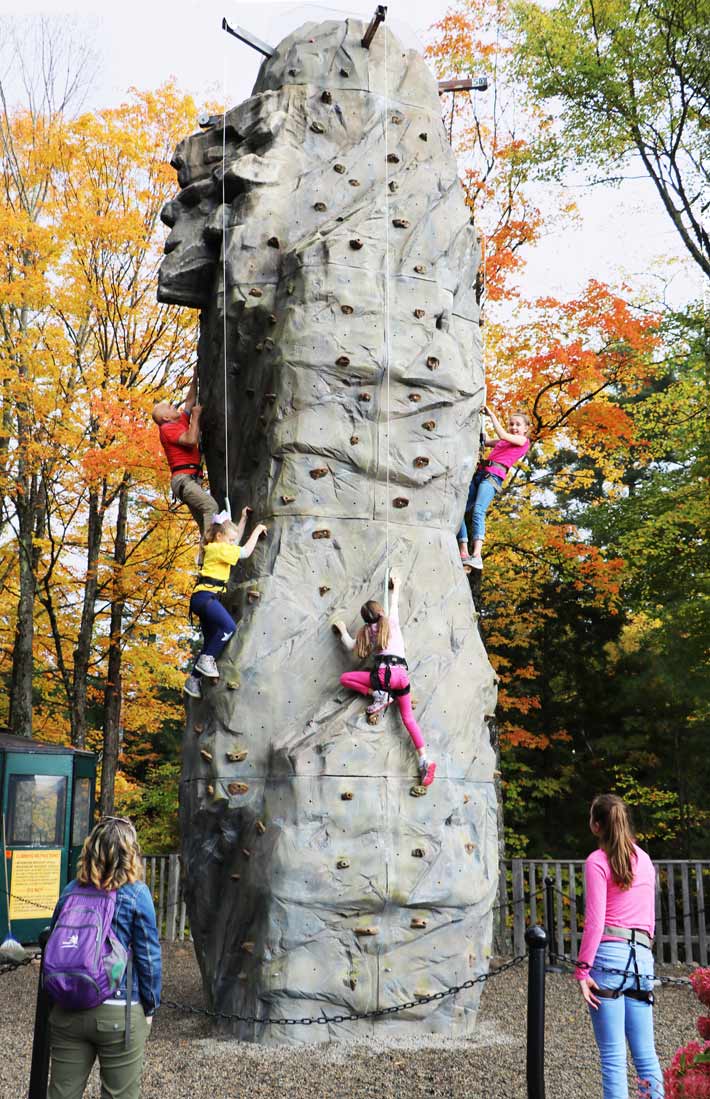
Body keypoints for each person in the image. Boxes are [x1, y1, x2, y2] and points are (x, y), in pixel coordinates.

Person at [47, 817, 161, 1099]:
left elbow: (55, 943)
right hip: (118, 1011)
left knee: (61, 1095)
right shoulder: (136, 894)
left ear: (90, 850)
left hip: (68, 1010)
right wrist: (150, 1006)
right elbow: (149, 957)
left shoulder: (71, 890)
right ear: (130, 853)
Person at [576, 794, 664, 1099]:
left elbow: (596, 921)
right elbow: (650, 922)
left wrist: (582, 970)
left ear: (596, 825)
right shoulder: (646, 860)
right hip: (641, 961)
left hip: (608, 961)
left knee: (613, 1059)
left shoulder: (597, 862)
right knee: (646, 1056)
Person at [333, 573, 436, 787]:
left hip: (383, 677)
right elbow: (394, 603)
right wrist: (395, 585)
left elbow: (351, 646)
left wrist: (342, 629)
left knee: (346, 678)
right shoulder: (391, 622)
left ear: (365, 619)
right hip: (402, 677)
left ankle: (378, 695)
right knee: (408, 719)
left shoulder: (368, 632)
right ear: (380, 611)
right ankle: (425, 759)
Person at [184, 508, 268, 698]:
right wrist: (257, 529)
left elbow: (235, 540)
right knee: (228, 627)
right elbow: (244, 551)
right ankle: (206, 660)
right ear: (219, 536)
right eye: (229, 539)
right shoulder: (218, 548)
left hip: (203, 599)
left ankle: (193, 680)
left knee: (211, 640)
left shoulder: (216, 547)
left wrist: (243, 519)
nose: (231, 543)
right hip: (206, 597)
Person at [458, 406, 531, 569]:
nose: (514, 427)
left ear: (526, 428)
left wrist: (491, 415)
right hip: (479, 475)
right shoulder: (504, 442)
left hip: (493, 478)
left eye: (518, 425)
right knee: (457, 509)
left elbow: (502, 434)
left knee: (478, 510)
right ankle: (463, 551)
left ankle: (476, 554)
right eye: (511, 424)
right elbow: (486, 440)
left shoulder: (523, 441)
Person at [152, 368, 218, 541]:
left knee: (206, 524)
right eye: (168, 407)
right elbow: (190, 440)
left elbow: (189, 401)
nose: (173, 406)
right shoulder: (167, 429)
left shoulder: (179, 420)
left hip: (191, 479)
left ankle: (204, 563)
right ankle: (212, 553)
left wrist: (196, 376)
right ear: (165, 418)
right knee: (211, 507)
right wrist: (195, 417)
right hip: (183, 480)